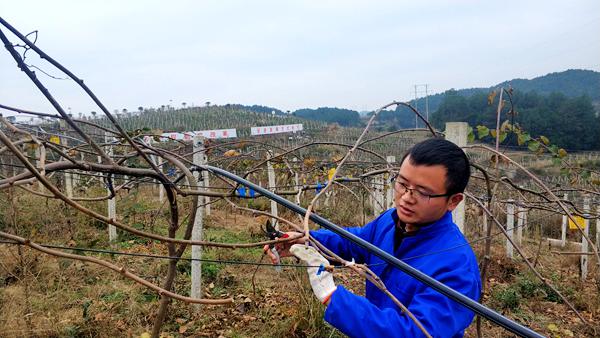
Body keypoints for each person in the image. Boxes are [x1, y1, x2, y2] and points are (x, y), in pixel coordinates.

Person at [266, 138, 481, 337]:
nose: (406, 198)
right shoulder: (391, 220)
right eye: (403, 184)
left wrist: (334, 298)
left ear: (453, 201)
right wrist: (307, 240)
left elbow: (412, 333)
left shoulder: (457, 269)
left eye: (423, 192)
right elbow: (358, 241)